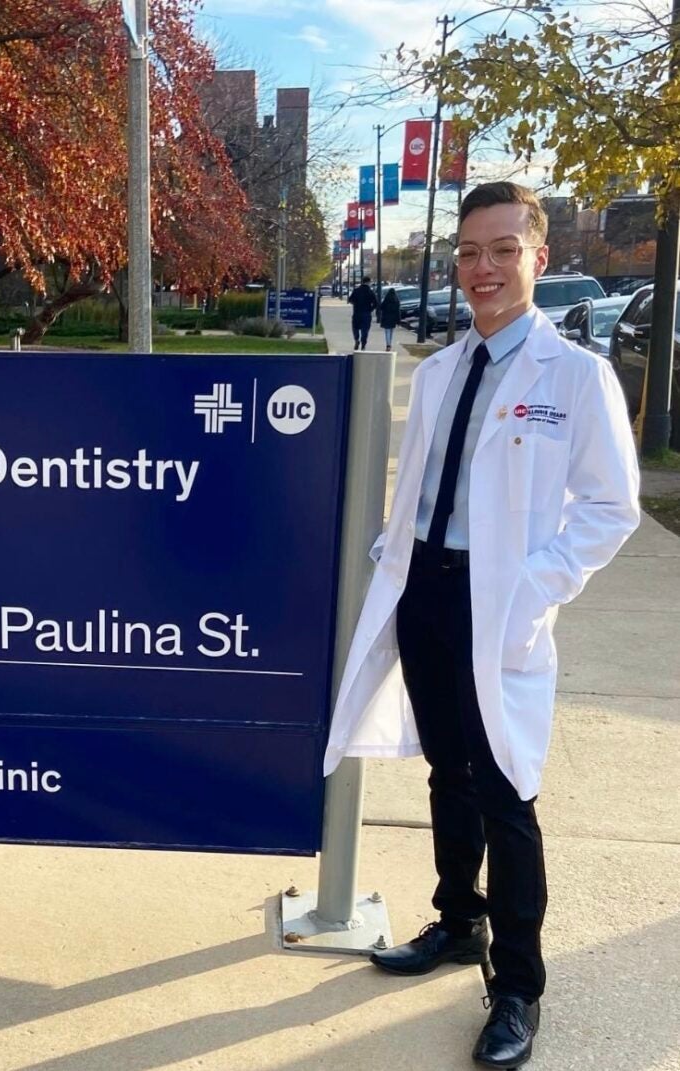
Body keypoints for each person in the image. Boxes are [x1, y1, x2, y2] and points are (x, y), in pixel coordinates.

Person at [324, 182, 639, 1068]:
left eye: (503, 250)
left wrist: (535, 586)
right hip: (426, 587)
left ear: (539, 257)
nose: (484, 268)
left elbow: (610, 508)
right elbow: (422, 484)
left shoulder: (575, 379)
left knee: (507, 788)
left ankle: (518, 987)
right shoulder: (439, 372)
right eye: (470, 253)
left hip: (498, 599)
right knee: (446, 769)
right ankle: (459, 920)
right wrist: (396, 549)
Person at [347, 276, 379, 349]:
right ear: (368, 282)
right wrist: (370, 309)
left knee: (355, 328)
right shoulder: (370, 292)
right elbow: (376, 303)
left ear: (362, 282)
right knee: (365, 330)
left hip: (357, 313)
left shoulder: (356, 290)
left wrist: (355, 304)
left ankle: (356, 340)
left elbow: (350, 300)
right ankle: (363, 343)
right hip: (366, 313)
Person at [379, 287, 401, 351]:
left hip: (386, 318)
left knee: (387, 332)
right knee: (391, 332)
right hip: (393, 319)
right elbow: (398, 312)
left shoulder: (386, 300)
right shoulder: (396, 301)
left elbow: (381, 307)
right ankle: (389, 344)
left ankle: (388, 345)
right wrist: (398, 321)